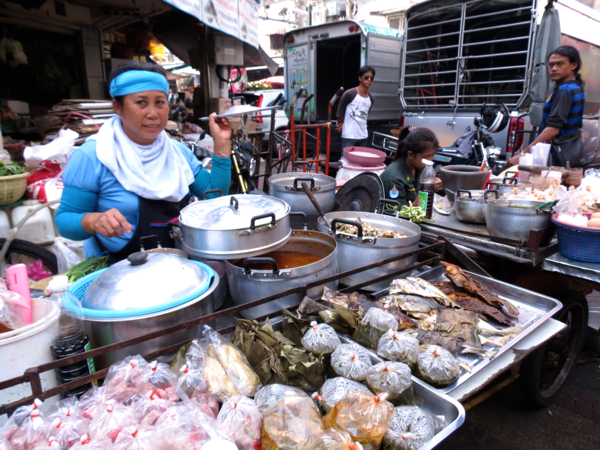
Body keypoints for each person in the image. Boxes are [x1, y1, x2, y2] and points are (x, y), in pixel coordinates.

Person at [55, 62, 232, 263]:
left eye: (160, 102)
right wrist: (94, 221)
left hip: (174, 263)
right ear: (117, 107)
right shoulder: (94, 156)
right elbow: (64, 221)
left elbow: (214, 194)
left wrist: (222, 144)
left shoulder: (176, 152)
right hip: (115, 268)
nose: (153, 113)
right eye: (141, 102)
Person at [507, 45, 585, 167]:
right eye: (551, 65)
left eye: (560, 64)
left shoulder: (564, 90)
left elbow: (552, 129)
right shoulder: (575, 87)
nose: (554, 68)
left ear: (573, 65)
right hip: (567, 153)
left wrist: (523, 155)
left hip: (555, 157)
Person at [379, 127, 442, 207]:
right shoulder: (394, 178)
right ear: (410, 155)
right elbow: (398, 214)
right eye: (426, 157)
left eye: (432, 155)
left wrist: (431, 187)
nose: (430, 160)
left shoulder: (419, 167)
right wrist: (427, 191)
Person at [336, 65, 376, 150]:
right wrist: (342, 126)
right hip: (349, 136)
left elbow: (365, 115)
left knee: (360, 162)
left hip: (363, 136)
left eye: (371, 78)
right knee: (347, 162)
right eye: (366, 77)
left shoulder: (371, 98)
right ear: (360, 78)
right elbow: (340, 113)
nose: (369, 80)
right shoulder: (349, 94)